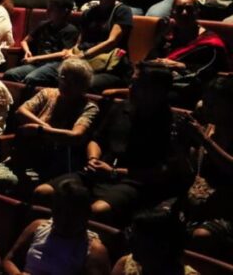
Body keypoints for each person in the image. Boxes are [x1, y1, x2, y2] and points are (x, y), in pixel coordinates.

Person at [41, 63, 176, 221]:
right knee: (43, 192)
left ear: (157, 91)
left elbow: (162, 172)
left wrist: (114, 171)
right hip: (97, 172)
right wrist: (93, 159)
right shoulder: (121, 108)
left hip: (132, 182)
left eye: (138, 84)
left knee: (97, 211)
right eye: (131, 82)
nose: (131, 88)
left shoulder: (169, 124)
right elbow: (96, 140)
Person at [0, 59, 99, 192]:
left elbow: (75, 135)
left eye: (73, 81)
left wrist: (40, 130)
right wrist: (45, 127)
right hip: (28, 156)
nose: (65, 85)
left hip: (60, 164)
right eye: (63, 78)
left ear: (83, 86)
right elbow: (21, 111)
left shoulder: (88, 107)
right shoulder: (48, 93)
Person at [3, 178, 111, 275]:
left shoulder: (93, 251)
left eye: (71, 215)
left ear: (86, 215)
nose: (64, 220)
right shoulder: (38, 227)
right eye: (59, 212)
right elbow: (9, 260)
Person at [180, 77, 233, 259]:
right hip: (200, 199)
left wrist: (203, 140)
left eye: (213, 104)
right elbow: (194, 170)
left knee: (201, 236)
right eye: (206, 101)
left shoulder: (206, 134)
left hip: (228, 207)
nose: (205, 107)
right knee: (154, 220)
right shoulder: (208, 127)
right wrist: (181, 146)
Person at [4, 0, 81, 85]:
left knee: (31, 78)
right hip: (37, 64)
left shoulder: (70, 30)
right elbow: (24, 41)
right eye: (48, 8)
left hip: (55, 65)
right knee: (10, 74)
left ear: (65, 11)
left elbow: (64, 53)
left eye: (53, 9)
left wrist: (36, 58)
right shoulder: (43, 25)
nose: (48, 11)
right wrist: (27, 52)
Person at [112, 209, 199, 275]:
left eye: (138, 238)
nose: (130, 242)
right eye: (131, 234)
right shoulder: (126, 264)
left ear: (163, 246)